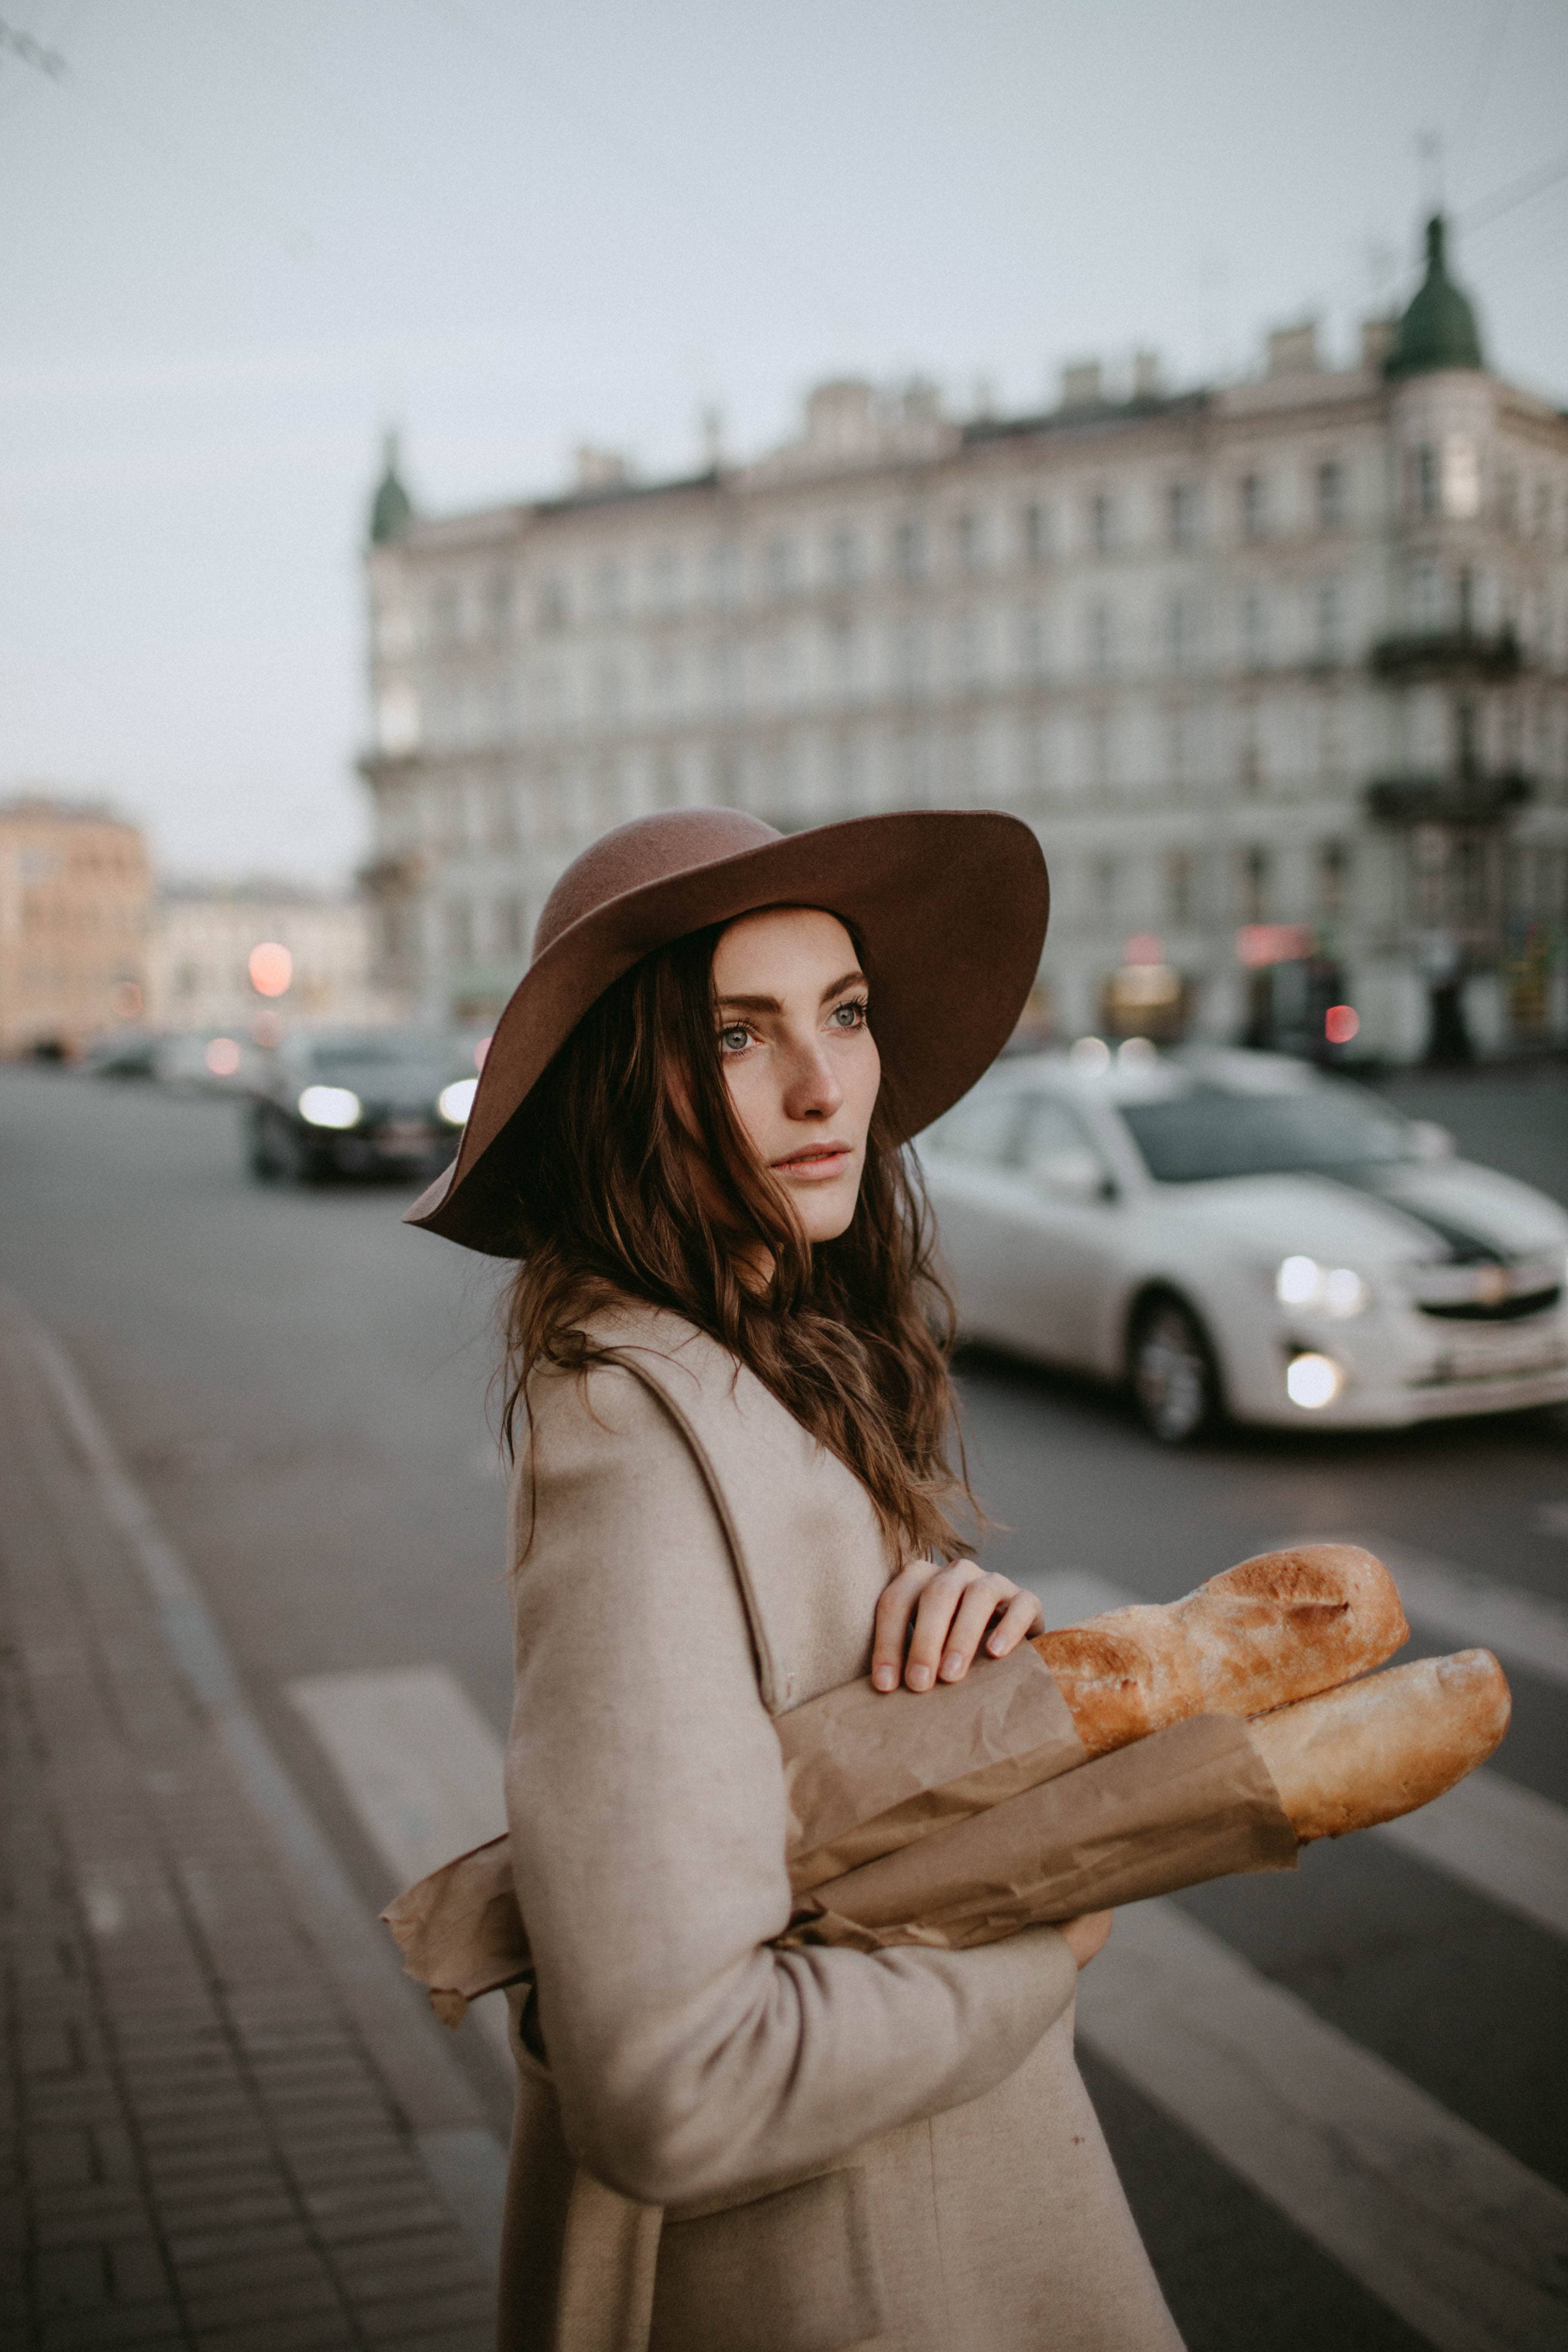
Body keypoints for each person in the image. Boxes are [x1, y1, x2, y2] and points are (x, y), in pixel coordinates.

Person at [405, 805, 1181, 2352]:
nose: (826, 1087)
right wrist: (1047, 1945)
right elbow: (674, 2088)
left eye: (842, 1013)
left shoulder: (775, 1360)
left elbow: (813, 1753)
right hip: (844, 2274)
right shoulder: (639, 1441)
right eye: (738, 1036)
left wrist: (968, 1683)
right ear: (629, 1089)